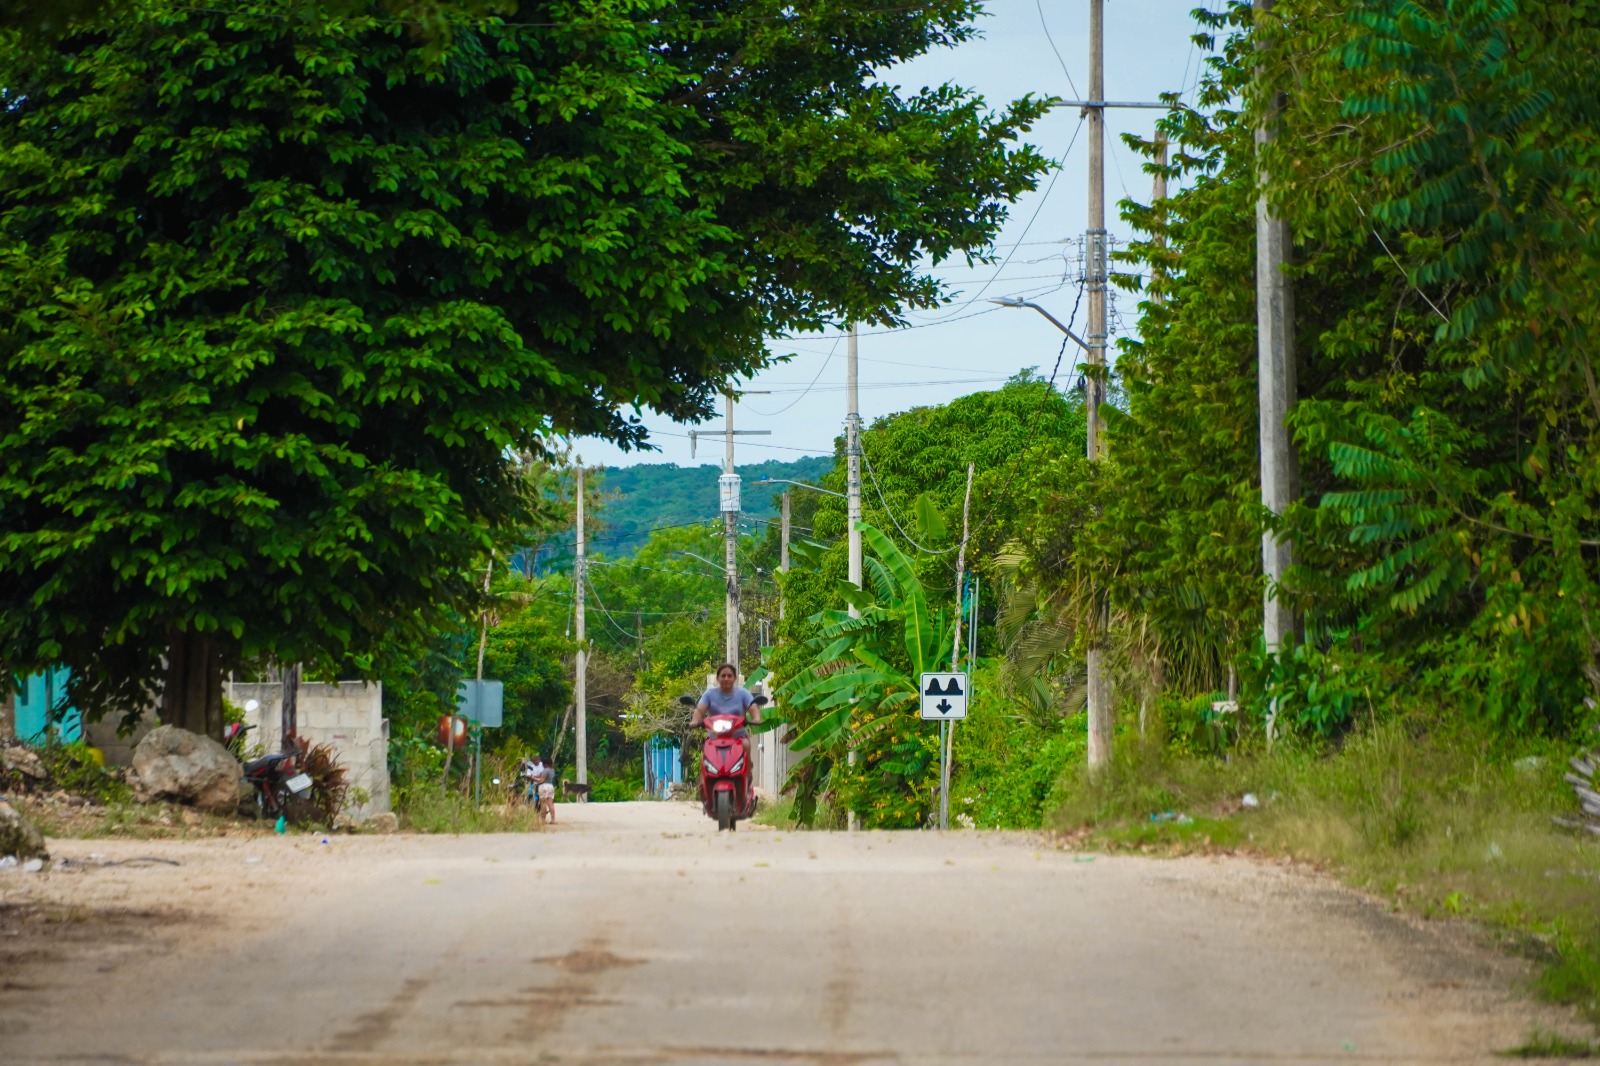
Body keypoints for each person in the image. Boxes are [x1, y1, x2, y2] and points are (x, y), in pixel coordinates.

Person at [689, 663, 762, 763]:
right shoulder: (709, 694)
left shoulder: (743, 693)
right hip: (714, 735)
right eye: (723, 676)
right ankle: (704, 777)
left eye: (729, 676)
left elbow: (752, 707)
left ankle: (747, 770)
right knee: (706, 753)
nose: (726, 678)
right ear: (717, 678)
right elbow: (700, 710)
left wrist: (756, 718)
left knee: (746, 744)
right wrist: (695, 721)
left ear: (735, 678)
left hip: (738, 735)